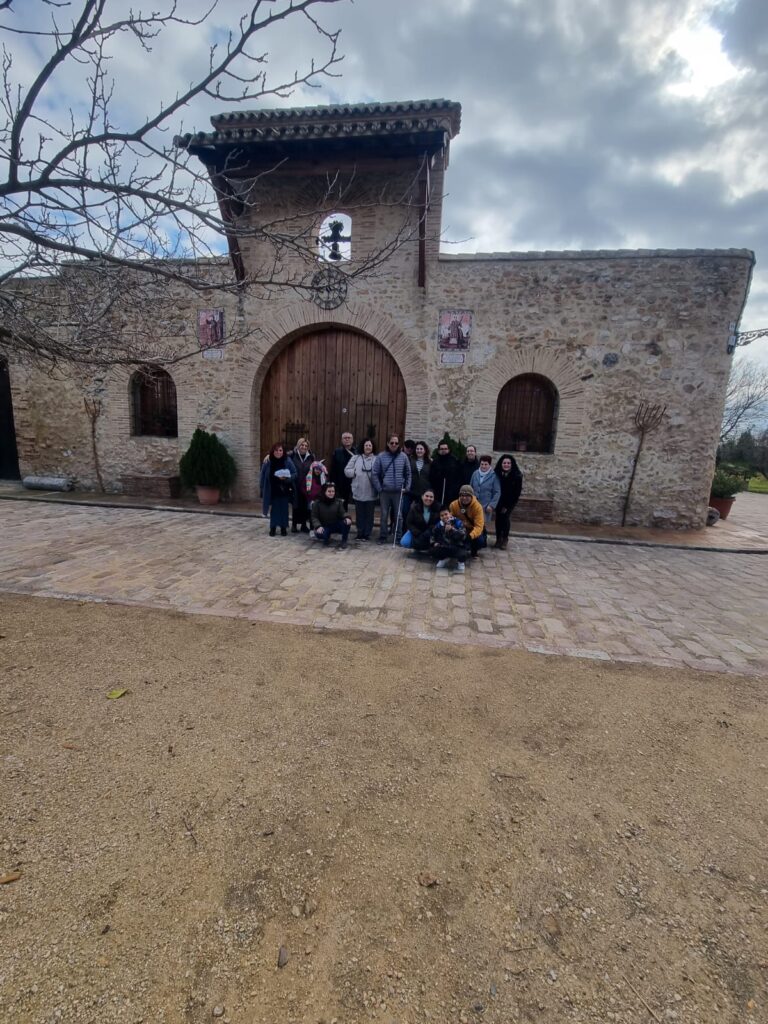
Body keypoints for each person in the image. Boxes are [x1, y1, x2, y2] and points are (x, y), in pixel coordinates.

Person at [372, 434, 412, 543]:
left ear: (399, 444)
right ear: (388, 444)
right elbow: (374, 473)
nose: (394, 445)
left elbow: (408, 473)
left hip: (399, 492)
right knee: (384, 515)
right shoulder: (381, 456)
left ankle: (398, 537)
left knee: (398, 516)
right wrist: (379, 488)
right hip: (385, 491)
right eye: (392, 443)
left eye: (396, 443)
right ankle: (383, 536)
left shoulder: (403, 457)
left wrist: (407, 487)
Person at [259, 442, 296, 537]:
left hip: (284, 489)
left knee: (284, 509)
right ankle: (273, 527)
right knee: (274, 509)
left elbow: (294, 473)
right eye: (276, 450)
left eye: (280, 450)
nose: (278, 452)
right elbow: (263, 475)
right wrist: (262, 487)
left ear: (283, 451)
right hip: (272, 489)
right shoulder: (268, 461)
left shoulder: (287, 460)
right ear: (273, 451)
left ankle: (284, 527)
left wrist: (287, 478)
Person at [344, 438, 377, 540]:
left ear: (372, 447)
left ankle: (367, 534)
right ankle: (360, 532)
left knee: (369, 514)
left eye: (370, 445)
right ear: (363, 446)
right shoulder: (356, 458)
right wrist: (354, 472)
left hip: (371, 491)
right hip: (358, 490)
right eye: (366, 445)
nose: (368, 447)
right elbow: (346, 470)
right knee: (360, 514)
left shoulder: (376, 459)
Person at [494, 454, 523, 550]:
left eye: (508, 463)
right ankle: (498, 538)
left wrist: (507, 506)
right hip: (499, 500)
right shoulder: (497, 474)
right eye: (504, 463)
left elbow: (516, 493)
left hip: (510, 501)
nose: (506, 465)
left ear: (512, 464)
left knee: (505, 518)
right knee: (498, 519)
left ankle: (505, 539)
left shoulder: (517, 476)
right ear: (501, 464)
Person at [310, 481, 352, 549]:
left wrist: (347, 517)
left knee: (346, 522)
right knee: (321, 534)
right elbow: (314, 517)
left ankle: (344, 541)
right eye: (329, 491)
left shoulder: (338, 502)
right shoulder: (317, 503)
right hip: (324, 525)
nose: (331, 493)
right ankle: (326, 537)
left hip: (335, 524)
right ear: (324, 492)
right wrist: (318, 526)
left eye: (333, 491)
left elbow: (342, 512)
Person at [449, 484, 486, 557]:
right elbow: (450, 519)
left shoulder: (478, 507)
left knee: (480, 541)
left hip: (472, 529)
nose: (464, 498)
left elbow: (479, 526)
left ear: (471, 496)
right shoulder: (453, 505)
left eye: (467, 496)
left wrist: (470, 536)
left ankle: (474, 549)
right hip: (459, 528)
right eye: (462, 495)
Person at [429, 505, 468, 573]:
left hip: (457, 546)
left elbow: (463, 535)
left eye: (446, 514)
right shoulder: (439, 525)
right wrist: (434, 542)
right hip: (445, 546)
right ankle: (444, 558)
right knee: (433, 550)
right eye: (442, 515)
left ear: (450, 514)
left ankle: (461, 562)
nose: (444, 517)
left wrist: (452, 529)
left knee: (463, 553)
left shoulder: (458, 522)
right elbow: (432, 534)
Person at [290, 437, 314, 533]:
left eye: (306, 446)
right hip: (295, 484)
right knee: (295, 505)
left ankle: (304, 525)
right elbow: (280, 456)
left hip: (306, 485)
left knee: (305, 506)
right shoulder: (292, 455)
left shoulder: (311, 457)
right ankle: (294, 525)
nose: (304, 447)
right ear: (298, 446)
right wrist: (268, 456)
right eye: (302, 445)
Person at [400, 488, 437, 552]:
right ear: (422, 497)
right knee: (405, 542)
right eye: (427, 496)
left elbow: (436, 523)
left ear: (433, 498)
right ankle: (416, 546)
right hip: (417, 531)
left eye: (431, 497)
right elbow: (409, 522)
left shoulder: (437, 509)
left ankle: (427, 547)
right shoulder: (414, 508)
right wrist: (417, 532)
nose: (429, 498)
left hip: (430, 533)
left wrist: (428, 532)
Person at [429, 438, 461, 505]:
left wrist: (455, 490)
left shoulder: (455, 461)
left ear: (449, 450)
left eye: (445, 449)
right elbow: (431, 477)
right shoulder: (435, 462)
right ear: (438, 450)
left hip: (451, 493)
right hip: (438, 492)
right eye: (442, 449)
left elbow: (458, 477)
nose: (444, 451)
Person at [471, 455, 501, 525]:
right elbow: (470, 488)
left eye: (486, 464)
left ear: (489, 465)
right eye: (482, 464)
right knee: (472, 524)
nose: (483, 466)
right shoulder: (475, 473)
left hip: (485, 506)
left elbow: (497, 492)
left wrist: (491, 505)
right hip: (474, 504)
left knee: (481, 526)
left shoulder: (494, 476)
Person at [330, 432, 356, 509]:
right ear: (342, 440)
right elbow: (333, 469)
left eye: (349, 438)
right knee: (341, 506)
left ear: (352, 440)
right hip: (341, 484)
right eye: (345, 438)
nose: (347, 439)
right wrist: (332, 484)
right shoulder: (337, 452)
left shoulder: (357, 452)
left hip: (354, 483)